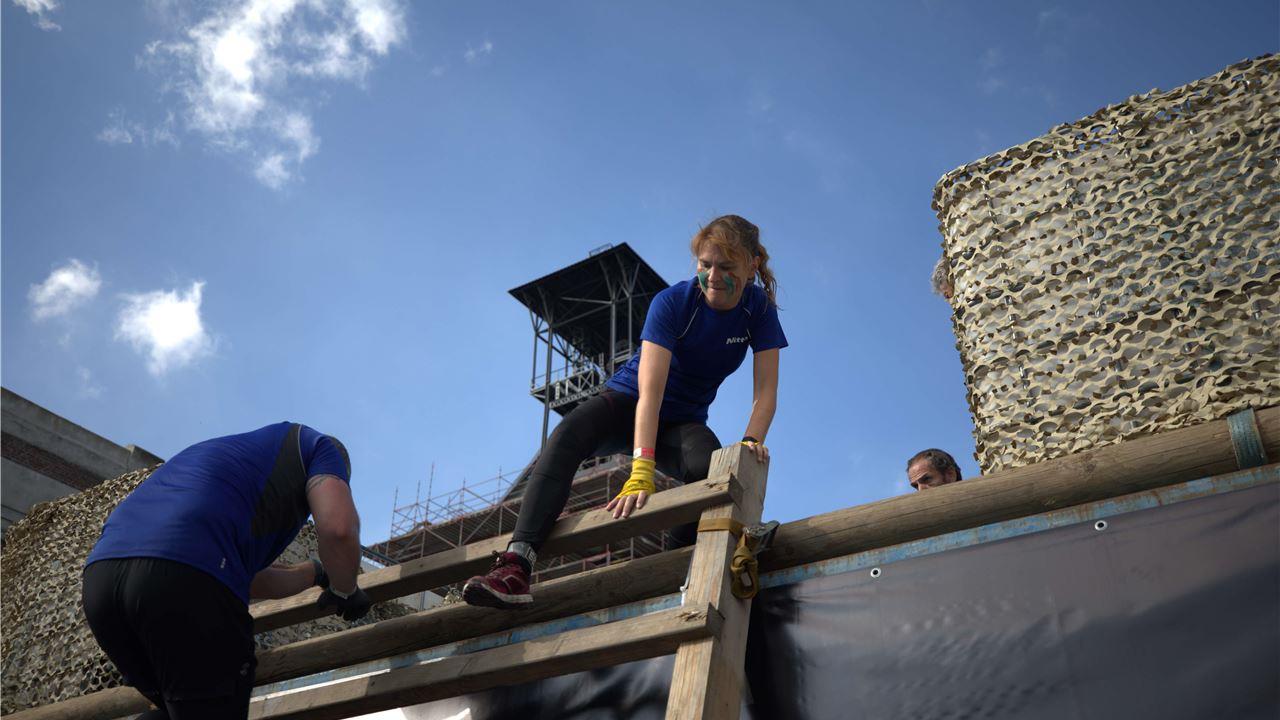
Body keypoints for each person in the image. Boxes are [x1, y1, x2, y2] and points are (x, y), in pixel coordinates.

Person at [464, 214, 787, 609]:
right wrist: (641, 470)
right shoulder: (672, 303)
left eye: (726, 267)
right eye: (705, 265)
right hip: (629, 402)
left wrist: (751, 441)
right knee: (568, 433)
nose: (713, 277)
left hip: (683, 421)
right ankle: (516, 565)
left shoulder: (759, 310)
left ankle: (678, 571)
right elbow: (650, 394)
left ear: (752, 266)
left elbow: (766, 392)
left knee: (713, 467)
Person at [81, 422, 370, 719]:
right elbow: (338, 530)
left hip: (101, 582)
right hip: (183, 578)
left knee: (181, 709)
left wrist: (317, 574)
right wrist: (346, 590)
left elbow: (249, 581)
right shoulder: (319, 447)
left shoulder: (236, 466)